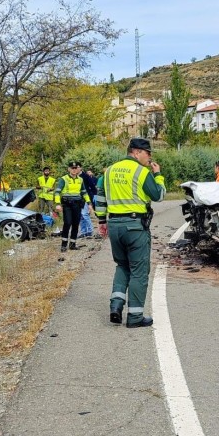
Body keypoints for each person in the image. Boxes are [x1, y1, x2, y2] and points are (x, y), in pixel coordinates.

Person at [96, 138, 166, 328]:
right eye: (147, 153)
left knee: (122, 266)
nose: (149, 157)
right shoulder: (142, 172)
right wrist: (158, 175)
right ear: (136, 152)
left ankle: (116, 306)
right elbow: (158, 195)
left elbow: (100, 197)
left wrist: (102, 220)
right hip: (135, 227)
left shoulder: (109, 171)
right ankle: (135, 317)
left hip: (115, 226)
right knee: (139, 271)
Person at [55, 161, 92, 252]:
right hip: (67, 204)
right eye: (72, 168)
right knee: (67, 223)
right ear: (69, 169)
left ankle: (72, 244)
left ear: (78, 169)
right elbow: (57, 192)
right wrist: (58, 204)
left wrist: (89, 204)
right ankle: (64, 245)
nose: (74, 170)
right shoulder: (64, 179)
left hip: (77, 204)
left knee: (76, 224)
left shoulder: (80, 179)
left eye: (76, 168)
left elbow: (84, 192)